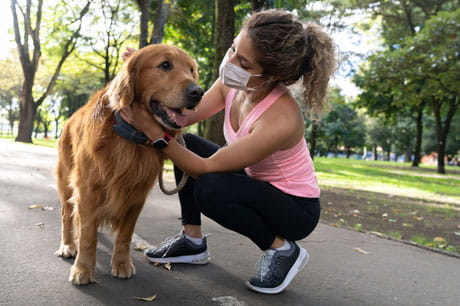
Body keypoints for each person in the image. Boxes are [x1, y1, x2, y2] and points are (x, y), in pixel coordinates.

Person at [120, 9, 337, 294]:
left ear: (272, 75)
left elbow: (202, 169)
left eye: (243, 62)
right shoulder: (232, 86)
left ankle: (282, 249)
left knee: (211, 188)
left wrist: (154, 133)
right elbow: (184, 117)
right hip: (255, 185)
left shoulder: (281, 117)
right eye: (233, 48)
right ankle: (192, 241)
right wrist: (150, 74)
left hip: (294, 209)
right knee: (188, 143)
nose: (230, 62)